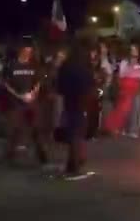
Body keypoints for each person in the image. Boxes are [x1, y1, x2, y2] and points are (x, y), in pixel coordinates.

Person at [2, 44, 49, 166]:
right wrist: (18, 95)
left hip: (31, 102)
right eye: (26, 51)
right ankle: (9, 154)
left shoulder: (34, 65)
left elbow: (38, 82)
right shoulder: (11, 65)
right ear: (20, 51)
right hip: (15, 102)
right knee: (14, 129)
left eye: (30, 51)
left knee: (36, 128)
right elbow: (6, 83)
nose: (28, 54)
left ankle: (42, 154)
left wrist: (32, 94)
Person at [57, 44, 93, 180]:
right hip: (82, 104)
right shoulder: (84, 68)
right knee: (77, 135)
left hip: (69, 103)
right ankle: (75, 166)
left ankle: (71, 164)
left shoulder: (65, 67)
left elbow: (59, 87)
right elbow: (90, 85)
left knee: (72, 134)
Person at [104, 43, 140, 138]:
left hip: (137, 87)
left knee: (136, 108)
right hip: (126, 88)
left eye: (135, 49)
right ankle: (123, 128)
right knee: (125, 109)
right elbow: (121, 74)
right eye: (132, 50)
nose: (134, 51)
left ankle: (133, 130)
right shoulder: (125, 62)